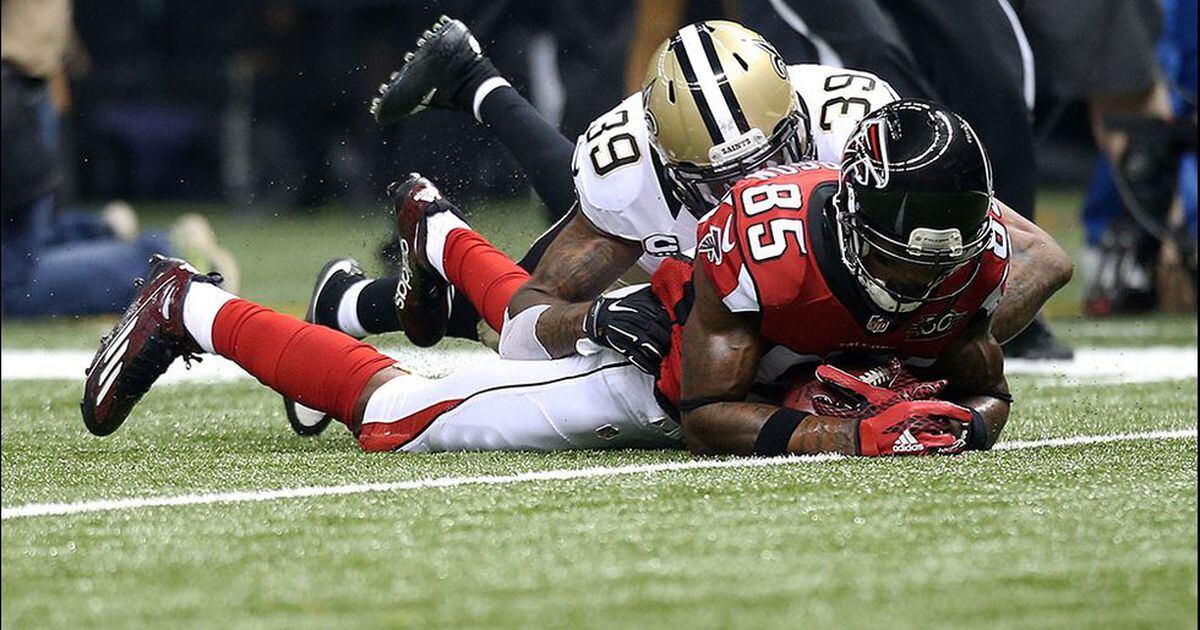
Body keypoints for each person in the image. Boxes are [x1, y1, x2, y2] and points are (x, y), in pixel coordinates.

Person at [81, 100, 1053, 458]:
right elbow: (707, 413)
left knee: (508, 328)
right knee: (405, 416)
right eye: (903, 247)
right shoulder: (770, 238)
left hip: (738, 348)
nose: (926, 272)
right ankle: (190, 303)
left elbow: (983, 391)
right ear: (853, 213)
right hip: (663, 353)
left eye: (948, 249)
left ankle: (435, 227)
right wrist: (846, 430)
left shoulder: (965, 264)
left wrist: (952, 422)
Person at [283, 18, 1069, 435]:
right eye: (722, 182)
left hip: (775, 290)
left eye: (775, 160)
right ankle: (417, 244)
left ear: (802, 121)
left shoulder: (857, 127)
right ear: (670, 165)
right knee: (524, 326)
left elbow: (1036, 258)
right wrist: (593, 317)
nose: (759, 190)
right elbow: (529, 320)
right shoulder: (631, 174)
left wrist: (906, 339)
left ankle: (369, 289)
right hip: (685, 266)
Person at [1, 0, 237, 317]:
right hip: (21, 86)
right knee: (22, 247)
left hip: (14, 96)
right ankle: (103, 234)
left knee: (10, 284)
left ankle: (165, 263)